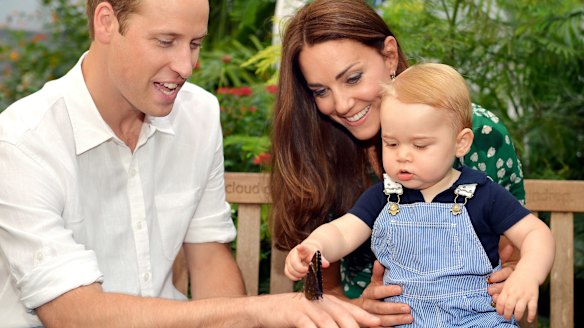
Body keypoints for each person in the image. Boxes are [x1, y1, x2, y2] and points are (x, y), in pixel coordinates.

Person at [0, 0, 382, 327]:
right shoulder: (23, 142)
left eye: (195, 43)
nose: (186, 65)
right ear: (106, 22)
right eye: (166, 42)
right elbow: (71, 314)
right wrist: (259, 311)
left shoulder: (197, 113)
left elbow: (209, 257)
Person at [270, 0, 526, 325]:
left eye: (352, 78)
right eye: (321, 91)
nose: (342, 104)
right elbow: (325, 289)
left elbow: (516, 259)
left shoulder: (474, 132)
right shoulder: (321, 148)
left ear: (389, 55)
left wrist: (516, 277)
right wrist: (361, 309)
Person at [285, 63, 555, 326]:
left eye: (420, 145)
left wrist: (527, 274)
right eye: (391, 143)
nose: (402, 155)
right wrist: (315, 246)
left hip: (477, 316)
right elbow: (343, 232)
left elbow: (536, 233)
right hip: (404, 318)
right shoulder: (384, 196)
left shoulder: (482, 194)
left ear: (460, 143)